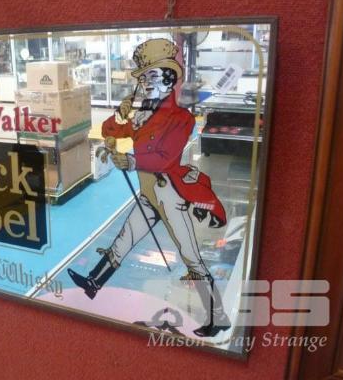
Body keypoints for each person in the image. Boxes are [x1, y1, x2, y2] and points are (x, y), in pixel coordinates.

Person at [68, 38, 231, 338]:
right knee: (124, 239)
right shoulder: (143, 114)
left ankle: (217, 316)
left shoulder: (181, 119)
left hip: (169, 193)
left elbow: (165, 157)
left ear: (169, 79)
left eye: (152, 75)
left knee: (190, 254)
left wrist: (131, 160)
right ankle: (93, 283)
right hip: (148, 192)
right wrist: (120, 116)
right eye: (143, 77)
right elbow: (110, 130)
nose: (145, 83)